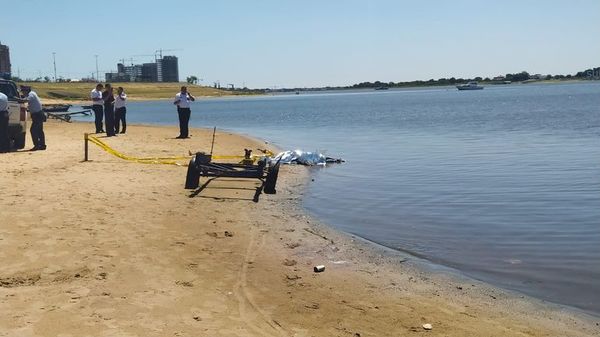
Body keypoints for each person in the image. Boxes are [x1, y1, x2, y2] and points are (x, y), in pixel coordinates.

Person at [20, 85, 46, 151]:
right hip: (39, 114)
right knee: (39, 131)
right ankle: (42, 145)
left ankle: (36, 145)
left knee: (33, 130)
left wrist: (18, 99)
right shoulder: (33, 93)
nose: (22, 93)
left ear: (26, 91)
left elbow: (25, 100)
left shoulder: (31, 95)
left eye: (23, 91)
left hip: (37, 115)